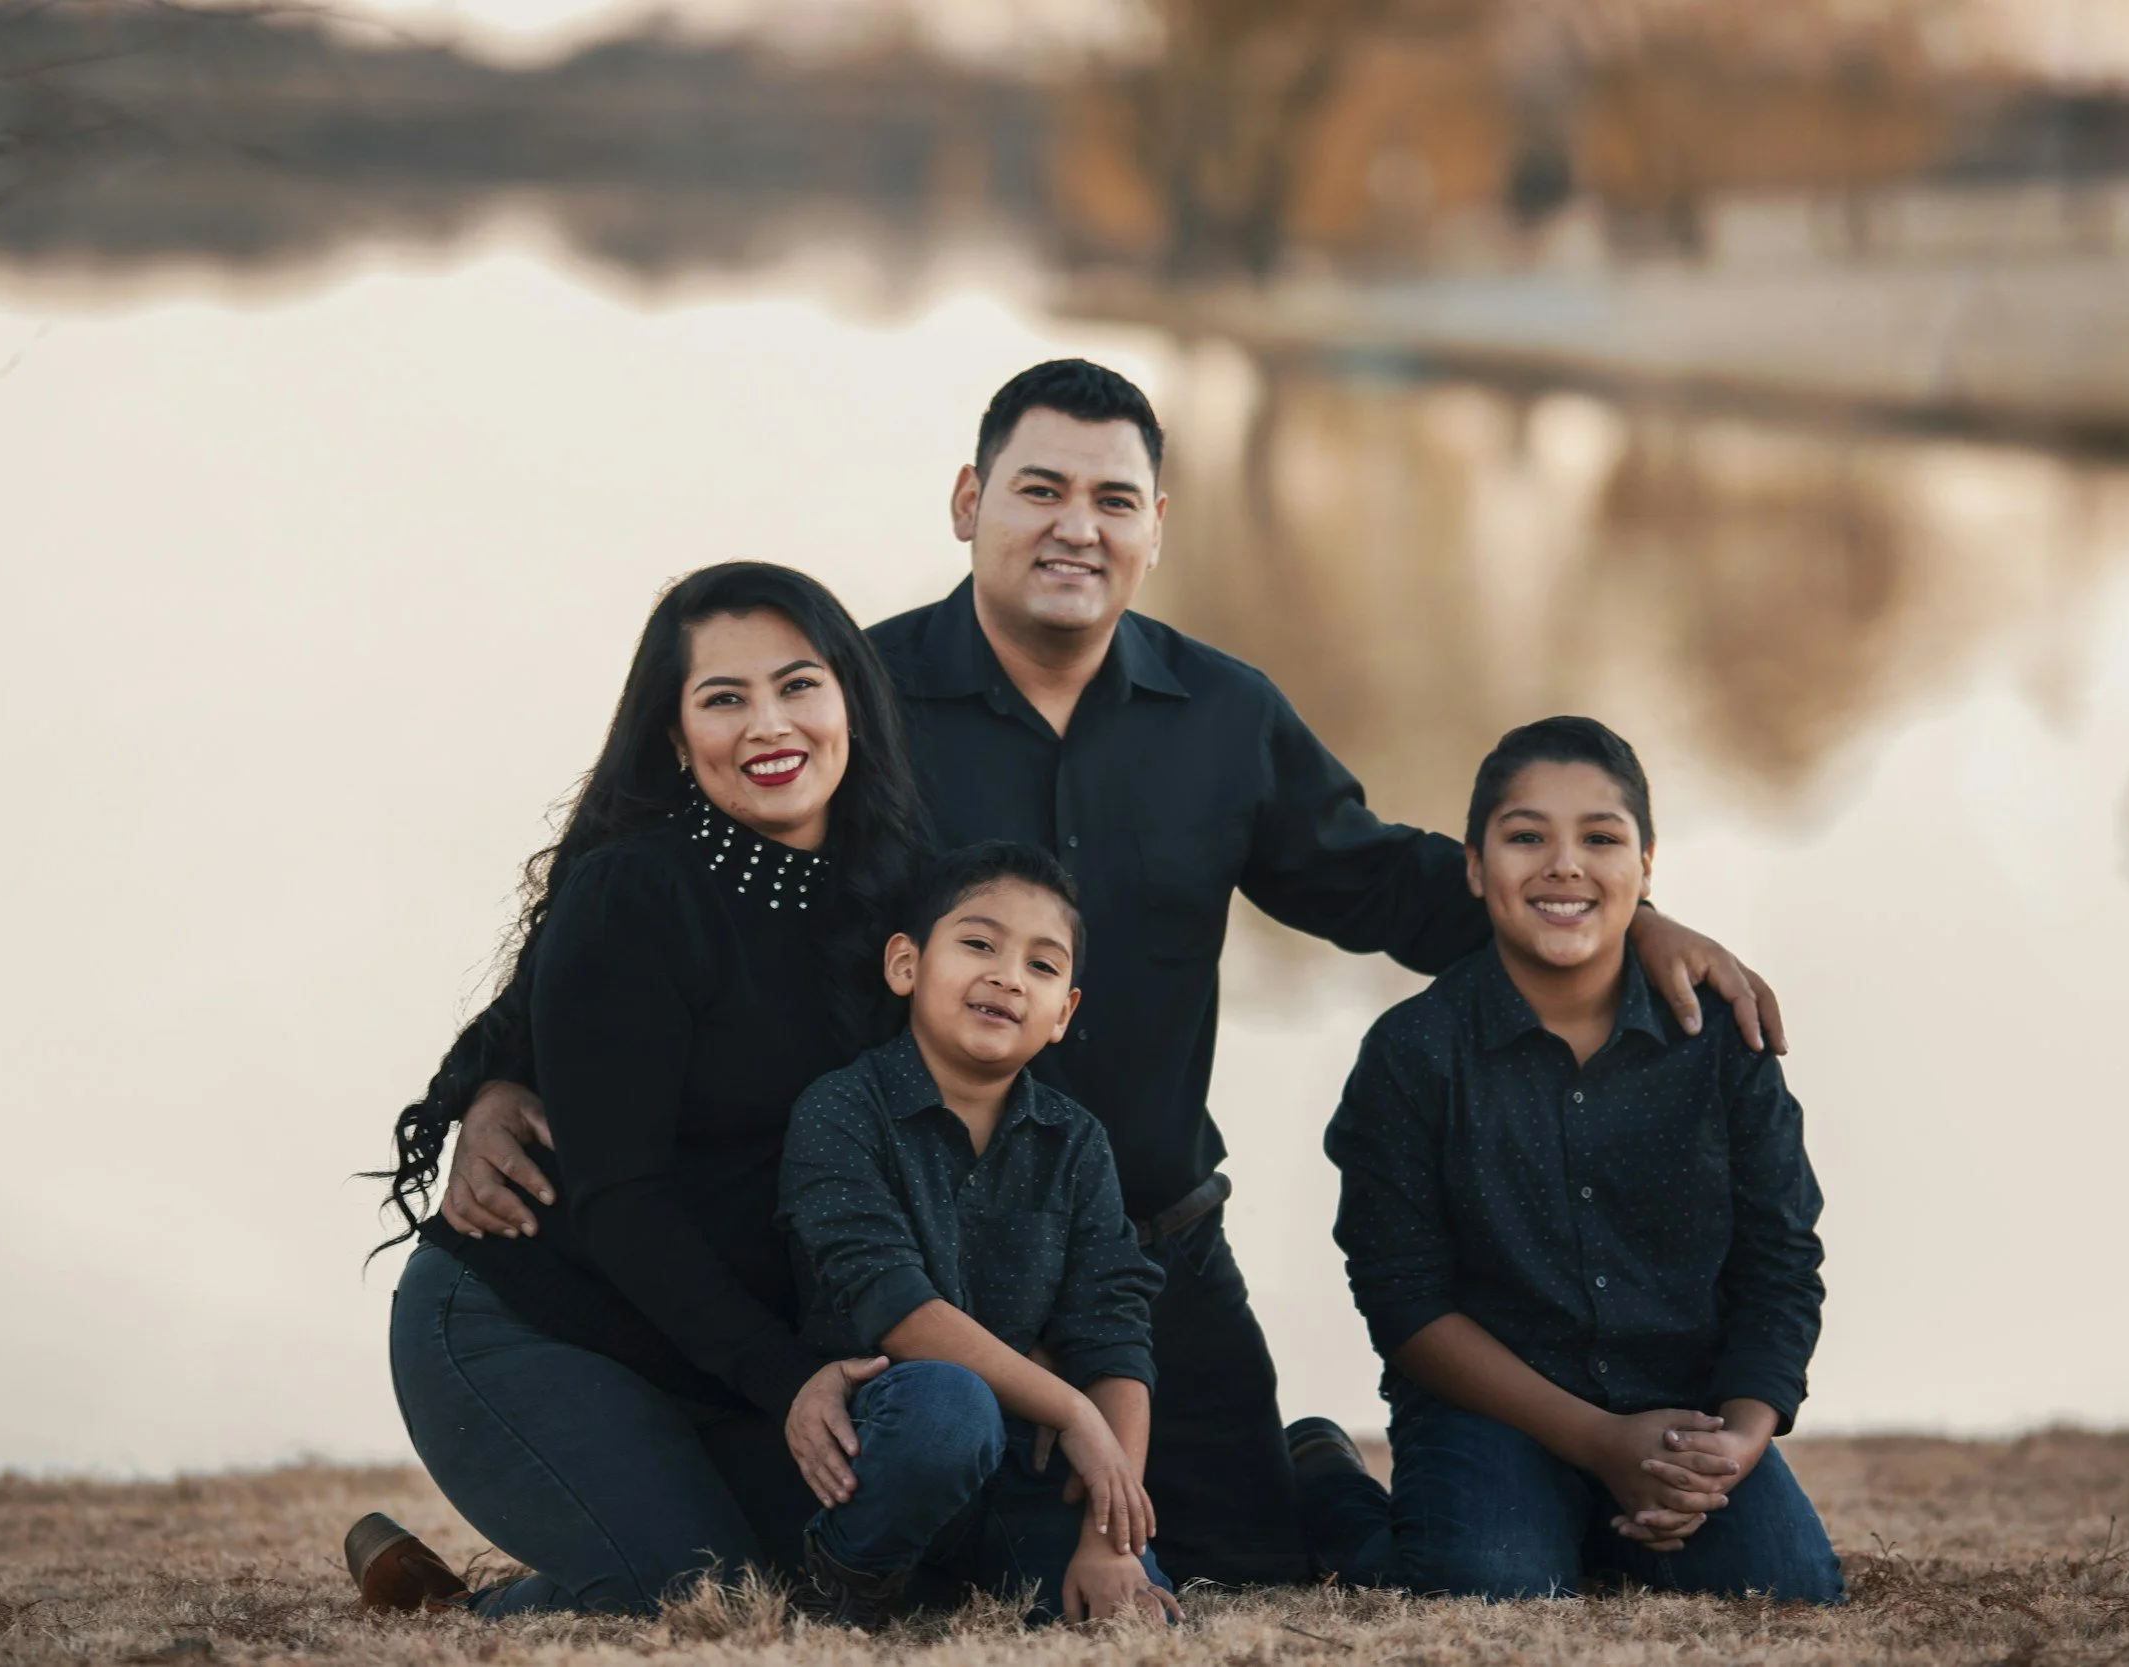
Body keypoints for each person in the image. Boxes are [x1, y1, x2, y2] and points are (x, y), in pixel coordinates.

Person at [433, 361, 1790, 1584]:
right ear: (970, 501)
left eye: (1113, 497)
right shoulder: (856, 700)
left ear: (1155, 529)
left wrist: (1624, 921)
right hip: (938, 1253)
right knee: (972, 1551)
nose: (1075, 524)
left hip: (1152, 1244)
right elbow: (680, 892)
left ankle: (1303, 1460)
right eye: (1038, 488)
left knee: (1257, 1557)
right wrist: (501, 1073)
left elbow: (1380, 879)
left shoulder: (1227, 713)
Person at [348, 562, 928, 1615]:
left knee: (846, 1570)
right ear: (672, 737)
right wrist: (788, 1376)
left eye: (798, 684)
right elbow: (620, 1199)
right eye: (722, 698)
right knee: (698, 1598)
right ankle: (443, 1612)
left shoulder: (895, 894)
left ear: (851, 698)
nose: (768, 724)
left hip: (705, 1348)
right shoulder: (636, 890)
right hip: (528, 1321)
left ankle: (579, 1553)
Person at [1298, 717, 1840, 1603]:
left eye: (1600, 837)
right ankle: (1324, 1480)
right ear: (1474, 867)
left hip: (1678, 1406)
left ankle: (1589, 1526)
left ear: (1647, 864)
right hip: (1495, 1410)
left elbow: (1781, 1258)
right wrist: (1596, 1443)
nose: (1564, 865)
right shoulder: (1414, 1052)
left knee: (1787, 1586)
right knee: (1489, 1582)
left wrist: (1734, 1442)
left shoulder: (1721, 1043)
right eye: (1526, 837)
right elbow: (1402, 1297)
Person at [777, 843, 1176, 1627]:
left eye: (1041, 964)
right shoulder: (841, 1111)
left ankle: (958, 1580)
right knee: (951, 1408)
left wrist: (1108, 1537)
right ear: (905, 964)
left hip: (1024, 1468)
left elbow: (1113, 1332)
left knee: (1130, 1616)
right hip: (885, 1443)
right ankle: (847, 1577)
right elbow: (896, 1306)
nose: (1007, 976)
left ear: (1063, 1012)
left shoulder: (1076, 1142)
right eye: (979, 944)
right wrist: (1074, 1411)